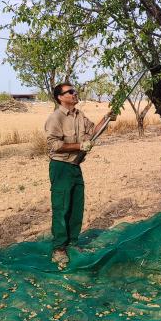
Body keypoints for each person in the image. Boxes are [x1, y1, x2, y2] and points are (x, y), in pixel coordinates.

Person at [44, 83, 112, 267]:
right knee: (61, 207)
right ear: (60, 97)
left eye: (74, 91)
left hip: (75, 166)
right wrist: (79, 146)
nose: (74, 94)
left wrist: (106, 118)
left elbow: (92, 132)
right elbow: (54, 145)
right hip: (61, 167)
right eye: (70, 92)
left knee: (76, 207)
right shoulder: (55, 118)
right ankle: (59, 249)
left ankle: (72, 244)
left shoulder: (79, 115)